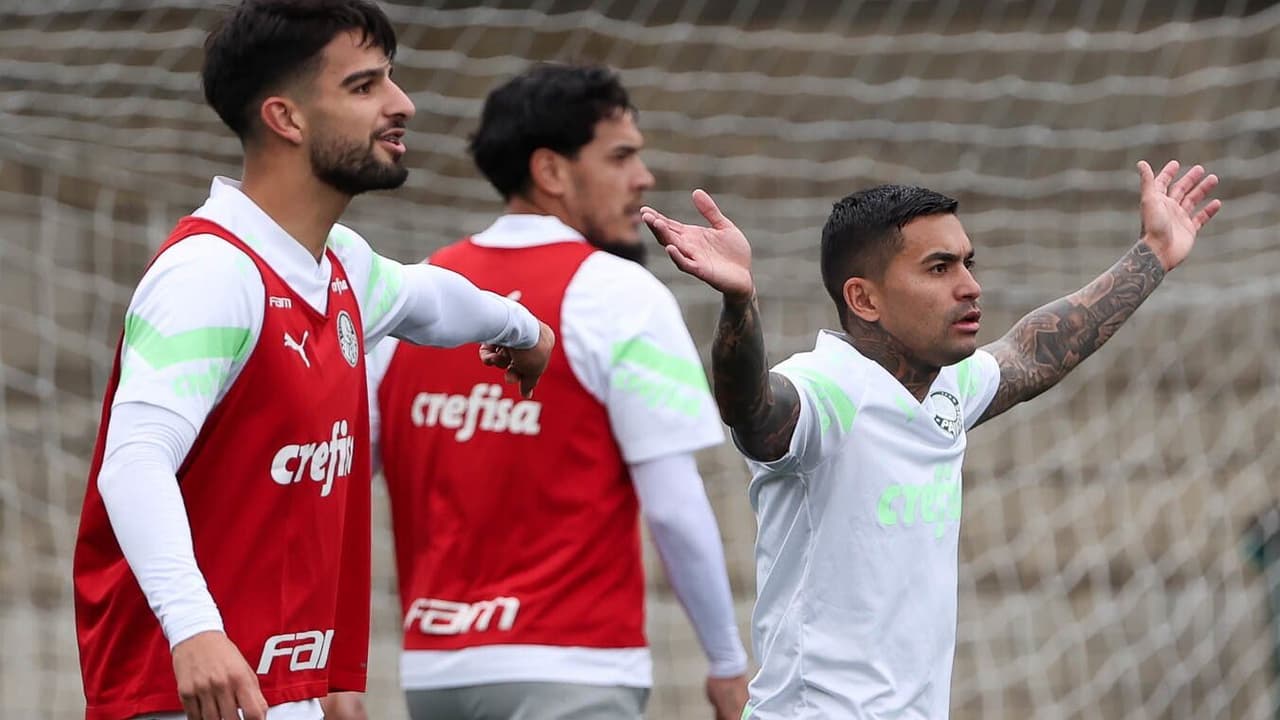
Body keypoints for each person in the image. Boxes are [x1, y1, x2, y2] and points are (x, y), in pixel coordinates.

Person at [72, 2, 554, 720]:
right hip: (184, 691)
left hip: (277, 689)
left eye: (390, 80)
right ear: (286, 119)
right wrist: (194, 626)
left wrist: (523, 327)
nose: (402, 105)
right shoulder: (211, 275)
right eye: (365, 87)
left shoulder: (338, 268)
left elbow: (428, 297)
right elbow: (134, 460)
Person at [640, 160, 1221, 719]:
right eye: (939, 268)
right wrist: (740, 304)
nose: (970, 286)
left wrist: (1154, 254)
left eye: (968, 263)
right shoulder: (825, 388)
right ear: (863, 298)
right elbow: (753, 411)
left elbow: (1033, 352)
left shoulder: (947, 385)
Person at [364, 62, 750, 720]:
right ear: (550, 171)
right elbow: (674, 507)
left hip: (435, 676)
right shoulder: (621, 295)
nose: (644, 179)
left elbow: (340, 487)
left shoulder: (412, 294)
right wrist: (727, 662)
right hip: (577, 669)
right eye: (622, 156)